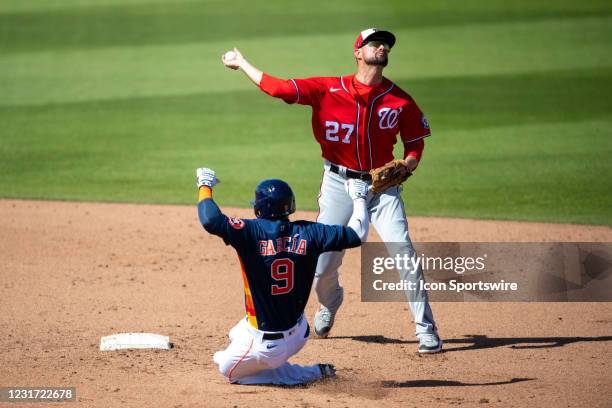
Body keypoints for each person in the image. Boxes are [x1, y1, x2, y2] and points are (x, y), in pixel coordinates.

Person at [221, 28, 442, 353]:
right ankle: (329, 304)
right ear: (358, 52)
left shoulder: (400, 100)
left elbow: (415, 145)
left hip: (382, 190)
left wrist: (406, 167)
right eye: (374, 43)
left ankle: (427, 330)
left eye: (385, 45)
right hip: (339, 185)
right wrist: (242, 62)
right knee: (322, 264)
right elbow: (278, 88)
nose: (381, 47)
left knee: (403, 252)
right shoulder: (327, 89)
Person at [196, 167, 370, 385]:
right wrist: (359, 197)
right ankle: (264, 358)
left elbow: (210, 220)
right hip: (299, 333)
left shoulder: (250, 232)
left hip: (269, 346)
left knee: (228, 370)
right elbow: (358, 234)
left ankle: (309, 373)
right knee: (235, 333)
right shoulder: (312, 232)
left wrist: (205, 185)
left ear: (259, 209)